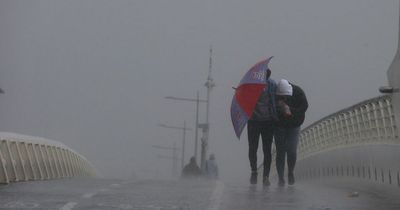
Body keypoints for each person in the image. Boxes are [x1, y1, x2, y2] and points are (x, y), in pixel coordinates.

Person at [274, 79, 308, 186]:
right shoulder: (275, 94)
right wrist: (279, 108)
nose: (284, 98)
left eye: (286, 96)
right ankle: (280, 177)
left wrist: (291, 109)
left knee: (292, 150)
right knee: (280, 151)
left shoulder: (298, 92)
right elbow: (270, 108)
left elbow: (304, 107)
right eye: (282, 96)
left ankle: (290, 172)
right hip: (279, 126)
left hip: (294, 125)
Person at [247, 68, 277, 185]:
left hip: (257, 121)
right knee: (263, 149)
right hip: (264, 121)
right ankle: (262, 175)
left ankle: (257, 173)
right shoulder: (272, 84)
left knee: (255, 148)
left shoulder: (251, 86)